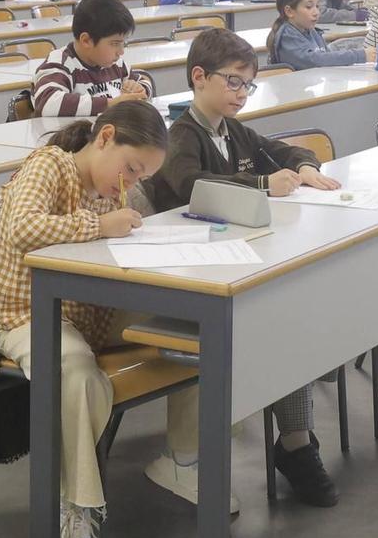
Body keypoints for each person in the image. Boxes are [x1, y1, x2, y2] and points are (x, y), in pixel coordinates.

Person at [0, 101, 220, 538]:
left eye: (142, 175)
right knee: (75, 371)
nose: (131, 181)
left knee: (196, 326)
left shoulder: (115, 190)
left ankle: (183, 461)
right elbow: (21, 228)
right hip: (29, 313)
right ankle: (77, 520)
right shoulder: (49, 165)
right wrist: (100, 225)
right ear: (105, 136)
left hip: (94, 311)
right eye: (131, 168)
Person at [145, 27, 343, 506]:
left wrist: (308, 167)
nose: (241, 93)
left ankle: (295, 441)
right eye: (232, 82)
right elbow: (191, 184)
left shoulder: (234, 130)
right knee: (278, 321)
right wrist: (259, 184)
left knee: (290, 315)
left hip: (239, 259)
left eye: (246, 85)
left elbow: (288, 151)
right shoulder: (182, 134)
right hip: (192, 273)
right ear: (198, 78)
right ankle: (282, 443)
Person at [32, 0, 154, 117]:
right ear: (86, 40)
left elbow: (145, 81)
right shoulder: (60, 63)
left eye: (123, 43)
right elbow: (47, 103)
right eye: (115, 43)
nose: (121, 51)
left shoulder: (116, 64)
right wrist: (110, 104)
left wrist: (139, 89)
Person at [268, 0, 374, 70]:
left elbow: (326, 55)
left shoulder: (311, 31)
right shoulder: (287, 36)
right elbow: (316, 60)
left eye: (317, 6)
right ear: (289, 11)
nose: (316, 12)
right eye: (309, 7)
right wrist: (359, 55)